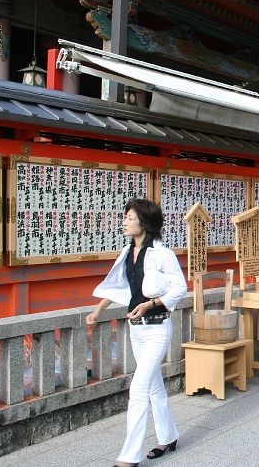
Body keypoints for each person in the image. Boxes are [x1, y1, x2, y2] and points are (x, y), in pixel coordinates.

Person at [86, 199, 187, 467]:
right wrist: (97, 311)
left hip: (156, 328)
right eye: (125, 217)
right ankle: (169, 436)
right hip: (135, 329)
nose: (124, 221)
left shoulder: (162, 254)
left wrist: (149, 304)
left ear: (145, 222)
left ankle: (128, 457)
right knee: (154, 386)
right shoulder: (127, 251)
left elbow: (179, 288)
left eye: (130, 217)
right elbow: (116, 283)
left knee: (139, 389)